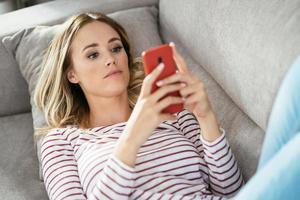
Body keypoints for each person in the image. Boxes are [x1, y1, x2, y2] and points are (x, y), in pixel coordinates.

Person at [35, 11, 300, 200]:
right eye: (93, 54)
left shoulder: (174, 113)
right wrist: (134, 134)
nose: (110, 60)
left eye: (116, 49)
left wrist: (207, 118)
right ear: (72, 74)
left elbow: (231, 189)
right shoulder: (61, 142)